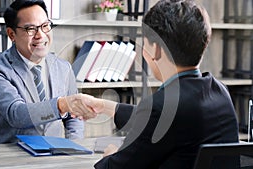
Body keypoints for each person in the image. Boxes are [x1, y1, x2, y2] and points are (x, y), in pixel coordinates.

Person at [82, 0, 240, 168]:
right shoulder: (221, 92)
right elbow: (165, 119)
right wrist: (106, 107)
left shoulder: (162, 106)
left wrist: (111, 154)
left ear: (156, 49)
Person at [0, 0, 96, 144]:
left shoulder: (64, 68)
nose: (40, 35)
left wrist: (74, 145)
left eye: (45, 26)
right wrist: (62, 104)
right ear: (11, 34)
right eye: (30, 29)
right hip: (11, 158)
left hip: (54, 156)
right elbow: (16, 114)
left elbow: (74, 118)